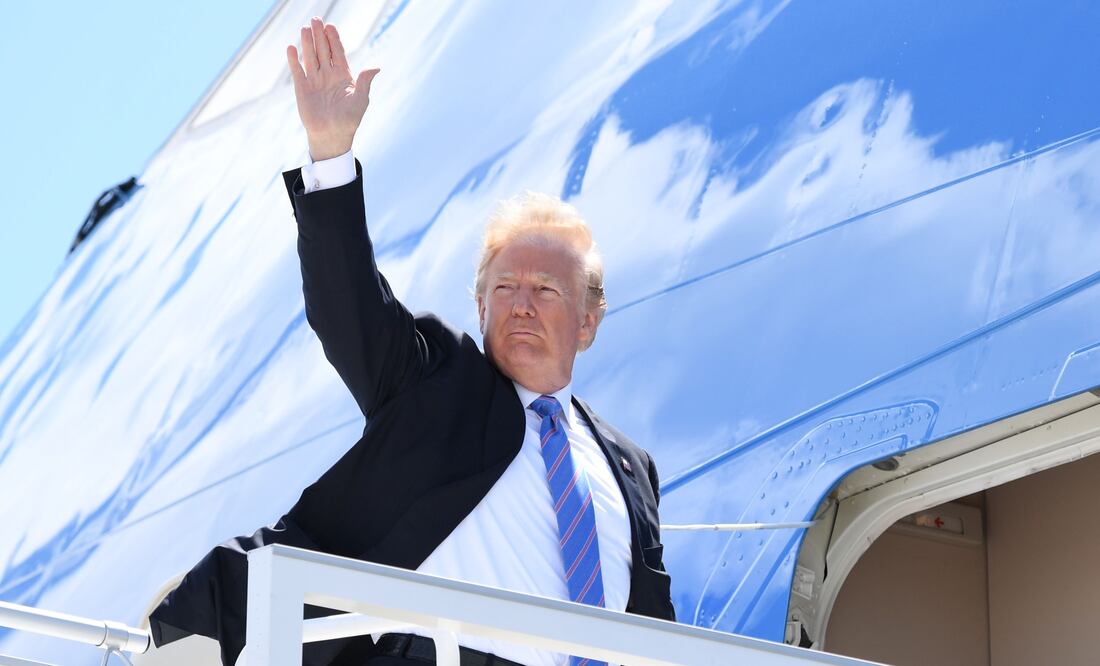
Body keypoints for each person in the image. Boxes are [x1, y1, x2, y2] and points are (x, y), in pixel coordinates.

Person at [148, 17, 673, 666]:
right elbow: (351, 312)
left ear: (589, 319)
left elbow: (657, 630)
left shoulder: (630, 467)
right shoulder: (437, 383)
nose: (522, 304)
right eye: (504, 287)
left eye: (548, 289)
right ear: (480, 307)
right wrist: (331, 151)